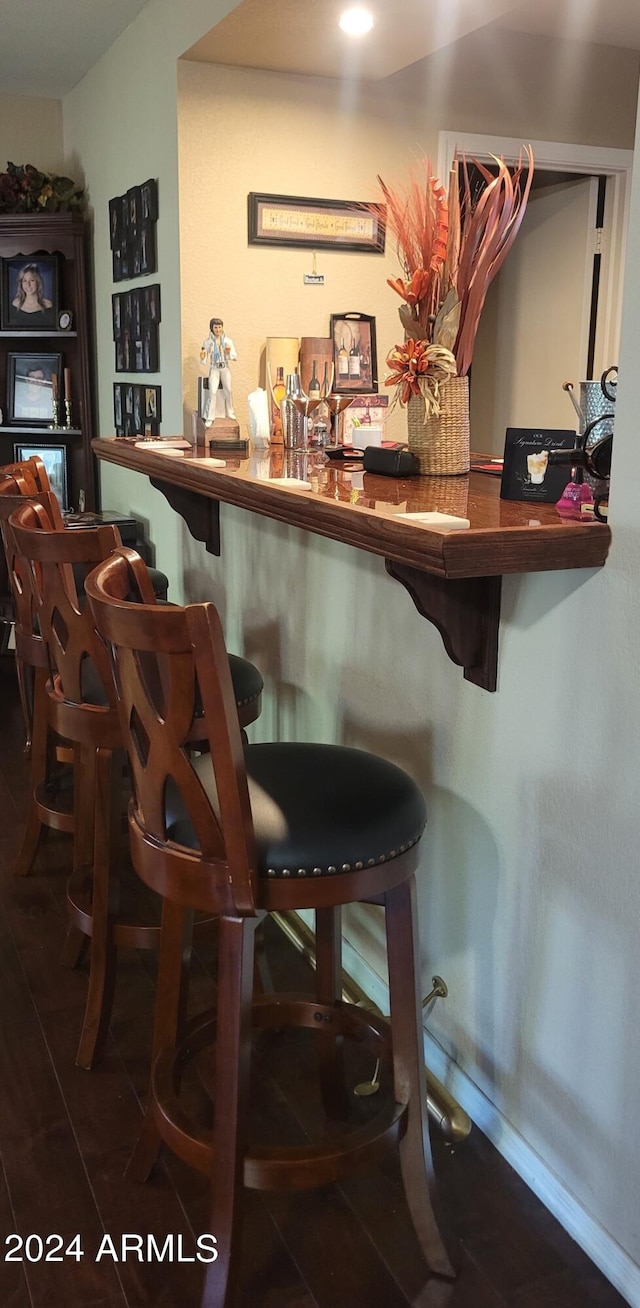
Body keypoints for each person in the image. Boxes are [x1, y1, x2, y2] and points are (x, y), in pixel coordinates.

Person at [200, 317, 237, 425]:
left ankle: (230, 411)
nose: (218, 329)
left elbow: (234, 356)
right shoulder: (208, 342)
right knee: (213, 391)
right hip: (214, 368)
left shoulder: (227, 341)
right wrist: (203, 356)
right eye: (215, 327)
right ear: (211, 328)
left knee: (228, 390)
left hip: (224, 367)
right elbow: (204, 357)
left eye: (220, 327)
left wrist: (228, 352)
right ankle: (210, 416)